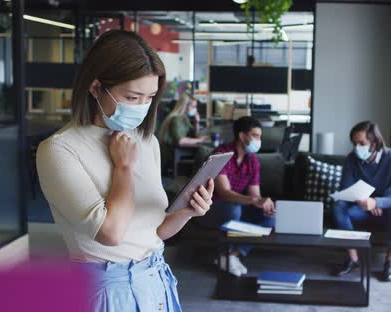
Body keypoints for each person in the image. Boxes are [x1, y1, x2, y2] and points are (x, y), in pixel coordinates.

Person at [36, 30, 214, 312]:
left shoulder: (147, 142)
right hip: (105, 290)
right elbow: (111, 234)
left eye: (150, 97)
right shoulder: (59, 150)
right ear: (95, 88)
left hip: (156, 277)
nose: (142, 107)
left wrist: (189, 211)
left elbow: (156, 232)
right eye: (132, 97)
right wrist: (124, 167)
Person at [332, 121, 391, 282]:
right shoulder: (352, 159)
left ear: (375, 143)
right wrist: (365, 202)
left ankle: (390, 262)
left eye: (361, 143)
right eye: (354, 143)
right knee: (339, 206)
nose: (356, 148)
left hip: (387, 211)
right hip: (361, 209)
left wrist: (376, 202)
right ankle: (353, 259)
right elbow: (346, 190)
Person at [198, 116, 276, 277]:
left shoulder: (253, 161)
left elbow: (255, 195)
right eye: (255, 136)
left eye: (259, 136)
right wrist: (254, 200)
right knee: (234, 210)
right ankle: (226, 255)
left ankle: (231, 255)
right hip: (209, 208)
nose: (258, 141)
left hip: (237, 207)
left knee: (269, 218)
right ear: (242, 136)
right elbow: (224, 193)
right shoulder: (221, 155)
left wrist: (263, 204)